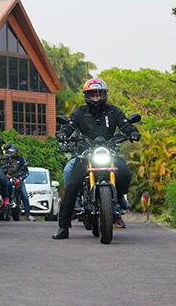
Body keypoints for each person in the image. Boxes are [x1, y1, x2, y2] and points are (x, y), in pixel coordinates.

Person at [53, 78, 140, 239]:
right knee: (72, 187)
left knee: (125, 172)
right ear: (87, 95)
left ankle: (119, 196)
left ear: (105, 95)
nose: (95, 98)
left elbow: (125, 124)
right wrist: (63, 133)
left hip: (108, 152)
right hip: (85, 154)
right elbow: (69, 126)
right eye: (92, 94)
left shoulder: (114, 111)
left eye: (98, 94)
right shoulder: (79, 112)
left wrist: (132, 131)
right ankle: (63, 227)